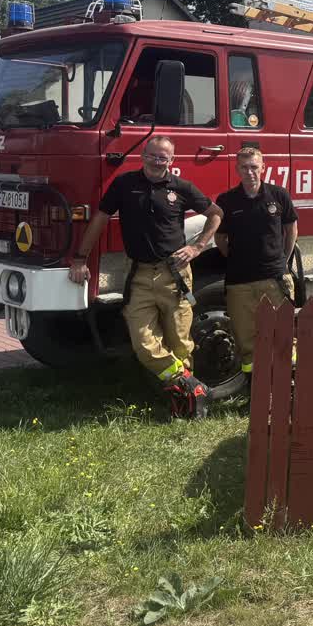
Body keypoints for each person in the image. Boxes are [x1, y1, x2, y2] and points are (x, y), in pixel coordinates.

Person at [68, 136, 223, 417]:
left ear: (171, 161)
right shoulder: (124, 184)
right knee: (143, 344)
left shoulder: (181, 187)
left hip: (175, 276)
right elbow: (100, 220)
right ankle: (193, 385)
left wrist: (197, 246)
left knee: (180, 343)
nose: (156, 161)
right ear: (142, 155)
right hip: (139, 274)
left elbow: (215, 214)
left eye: (163, 157)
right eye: (152, 155)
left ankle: (186, 405)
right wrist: (80, 258)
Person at [215, 147, 298, 379]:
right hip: (239, 282)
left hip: (274, 277)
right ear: (237, 169)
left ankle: (288, 383)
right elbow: (220, 237)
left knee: (283, 334)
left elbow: (291, 228)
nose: (250, 171)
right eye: (244, 167)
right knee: (246, 338)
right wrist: (236, 258)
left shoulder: (279, 195)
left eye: (254, 166)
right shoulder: (226, 200)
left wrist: (283, 258)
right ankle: (255, 388)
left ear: (263, 167)